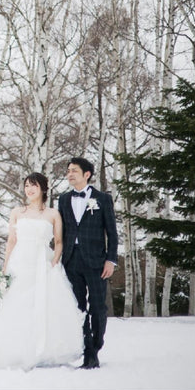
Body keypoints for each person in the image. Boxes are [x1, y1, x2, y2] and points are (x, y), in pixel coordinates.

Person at [0, 172, 84, 370]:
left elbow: (58, 242)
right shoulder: (17, 212)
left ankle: (44, 351)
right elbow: (11, 242)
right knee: (19, 305)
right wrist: (5, 268)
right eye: (26, 186)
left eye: (33, 185)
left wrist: (54, 261)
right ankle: (21, 350)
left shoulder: (52, 214)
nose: (29, 189)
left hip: (43, 262)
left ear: (42, 189)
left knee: (44, 305)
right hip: (20, 262)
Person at [58, 157, 119, 369]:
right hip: (71, 261)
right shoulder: (63, 199)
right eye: (68, 171)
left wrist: (111, 260)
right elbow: (61, 232)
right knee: (77, 308)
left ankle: (97, 343)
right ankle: (88, 352)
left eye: (74, 170)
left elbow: (112, 232)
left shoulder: (102, 199)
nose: (69, 174)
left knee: (98, 307)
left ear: (87, 174)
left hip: (96, 262)